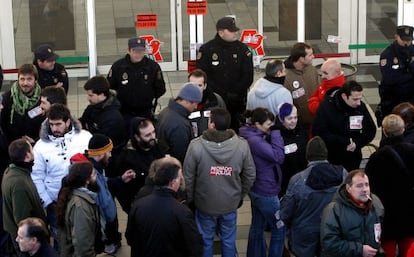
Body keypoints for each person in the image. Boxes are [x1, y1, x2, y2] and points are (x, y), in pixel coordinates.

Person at [183, 108, 256, 257]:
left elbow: (188, 177)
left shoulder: (196, 146)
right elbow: (250, 174)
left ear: (212, 124)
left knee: (205, 240)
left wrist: (190, 199)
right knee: (229, 241)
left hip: (204, 204)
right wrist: (240, 195)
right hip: (230, 204)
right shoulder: (241, 146)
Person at [31, 103, 92, 250]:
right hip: (55, 202)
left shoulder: (85, 137)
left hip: (83, 199)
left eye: (58, 124)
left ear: (68, 121)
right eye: (51, 124)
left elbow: (95, 167)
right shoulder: (40, 146)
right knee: (61, 241)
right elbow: (36, 176)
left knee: (84, 238)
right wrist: (47, 202)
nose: (54, 128)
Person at [280, 136, 347, 257]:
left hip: (305, 234)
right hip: (334, 230)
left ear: (307, 156)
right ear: (326, 154)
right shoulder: (342, 174)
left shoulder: (298, 180)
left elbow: (286, 212)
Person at [126, 156, 204, 257]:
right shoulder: (182, 211)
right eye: (179, 178)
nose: (181, 180)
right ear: (172, 183)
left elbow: (130, 238)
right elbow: (194, 245)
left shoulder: (138, 205)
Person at [239, 108, 286, 257]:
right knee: (279, 229)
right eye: (268, 124)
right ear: (257, 124)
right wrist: (277, 133)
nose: (270, 127)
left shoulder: (250, 135)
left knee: (257, 226)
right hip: (266, 190)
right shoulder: (256, 141)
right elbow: (278, 156)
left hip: (256, 188)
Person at [365, 114, 414, 257]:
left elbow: (371, 189)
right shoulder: (412, 151)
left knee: (388, 250)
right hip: (410, 211)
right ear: (403, 129)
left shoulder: (377, 158)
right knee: (409, 247)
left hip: (388, 215)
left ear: (385, 132)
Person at [196, 16, 253, 131]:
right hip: (215, 101)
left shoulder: (242, 49)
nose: (235, 33)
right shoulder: (207, 50)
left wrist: (235, 92)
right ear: (221, 32)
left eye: (235, 30)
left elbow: (248, 75)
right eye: (231, 31)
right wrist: (222, 94)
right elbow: (204, 76)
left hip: (237, 102)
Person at [82, 134, 135, 254]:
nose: (110, 155)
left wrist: (121, 179)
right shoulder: (92, 175)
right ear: (100, 154)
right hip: (99, 228)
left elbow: (104, 182)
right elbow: (104, 204)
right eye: (109, 152)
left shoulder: (95, 168)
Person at [313, 80, 376, 172]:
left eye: (360, 98)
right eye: (355, 99)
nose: (359, 103)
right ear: (344, 96)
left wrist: (357, 143)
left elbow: (371, 130)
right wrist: (344, 142)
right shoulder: (326, 107)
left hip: (353, 157)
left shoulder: (360, 108)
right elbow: (320, 132)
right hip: (333, 158)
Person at [320, 170, 384, 257]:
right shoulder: (334, 209)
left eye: (367, 184)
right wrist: (360, 250)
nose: (365, 189)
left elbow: (379, 232)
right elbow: (329, 243)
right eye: (359, 186)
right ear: (348, 188)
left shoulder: (375, 203)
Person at [110, 117, 167, 213]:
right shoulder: (126, 158)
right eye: (147, 135)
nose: (153, 137)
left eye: (153, 132)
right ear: (137, 137)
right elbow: (123, 191)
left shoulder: (157, 147)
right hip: (142, 205)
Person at [1, 139, 47, 256]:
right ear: (27, 155)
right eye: (31, 149)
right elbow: (22, 218)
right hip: (28, 242)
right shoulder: (18, 183)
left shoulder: (14, 171)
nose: (33, 152)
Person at [107, 37, 166, 122]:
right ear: (128, 50)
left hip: (145, 111)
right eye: (135, 51)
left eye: (141, 51)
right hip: (123, 111)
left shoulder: (153, 67)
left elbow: (160, 89)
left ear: (145, 51)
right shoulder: (118, 67)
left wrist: (147, 97)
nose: (138, 54)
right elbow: (109, 87)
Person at [57, 161, 101, 257]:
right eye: (93, 174)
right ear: (86, 180)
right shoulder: (80, 206)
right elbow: (82, 243)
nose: (96, 176)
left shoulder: (72, 195)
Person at [79, 75, 127, 155]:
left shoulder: (113, 118)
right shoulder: (93, 107)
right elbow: (82, 121)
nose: (88, 98)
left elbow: (100, 142)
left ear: (102, 95)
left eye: (91, 95)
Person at [156, 83, 202, 163]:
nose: (196, 107)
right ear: (187, 101)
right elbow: (182, 155)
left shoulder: (165, 112)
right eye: (195, 103)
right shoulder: (179, 126)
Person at [0, 63, 45, 145]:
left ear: (36, 80)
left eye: (29, 79)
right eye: (22, 79)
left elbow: (48, 125)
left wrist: (35, 141)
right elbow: (2, 127)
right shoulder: (7, 98)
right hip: (11, 147)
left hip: (36, 146)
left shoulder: (43, 99)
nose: (25, 83)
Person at [272, 103, 308, 196]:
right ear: (281, 119)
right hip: (285, 183)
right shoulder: (276, 137)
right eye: (289, 118)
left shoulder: (302, 132)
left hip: (302, 179)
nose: (293, 121)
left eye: (295, 118)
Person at [378, 25, 414, 119]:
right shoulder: (388, 54)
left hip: (411, 99)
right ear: (396, 37)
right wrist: (410, 74)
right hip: (393, 100)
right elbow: (390, 78)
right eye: (403, 40)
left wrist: (403, 73)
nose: (406, 42)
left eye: (409, 40)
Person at [283, 42, 320, 133]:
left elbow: (319, 89)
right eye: (310, 55)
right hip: (299, 125)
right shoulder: (286, 77)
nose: (313, 57)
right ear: (301, 59)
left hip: (316, 120)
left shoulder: (312, 69)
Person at [188, 68, 226, 137]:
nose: (196, 89)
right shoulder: (184, 103)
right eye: (193, 85)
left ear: (205, 86)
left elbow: (224, 122)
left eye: (199, 85)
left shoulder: (217, 101)